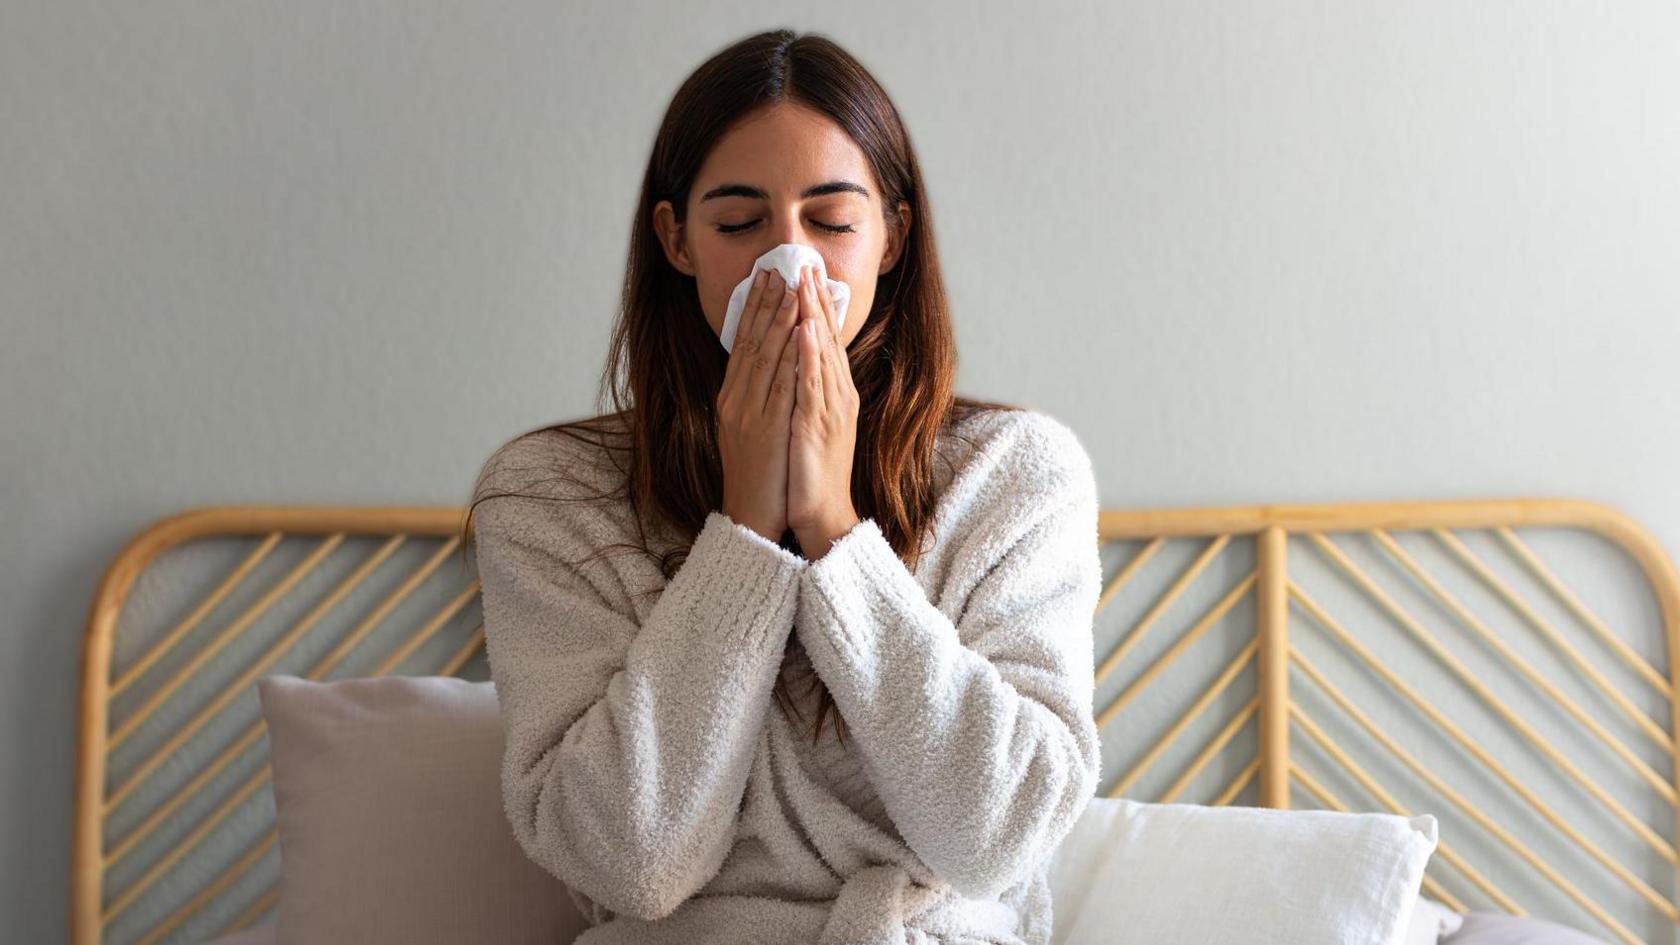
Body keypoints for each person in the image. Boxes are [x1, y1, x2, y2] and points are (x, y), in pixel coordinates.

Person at [465, 27, 1104, 945]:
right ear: (676, 239)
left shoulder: (1013, 473)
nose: (790, 263)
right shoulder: (551, 494)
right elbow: (629, 863)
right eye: (739, 223)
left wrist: (836, 530)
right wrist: (747, 533)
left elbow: (997, 836)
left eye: (832, 222)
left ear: (893, 237)